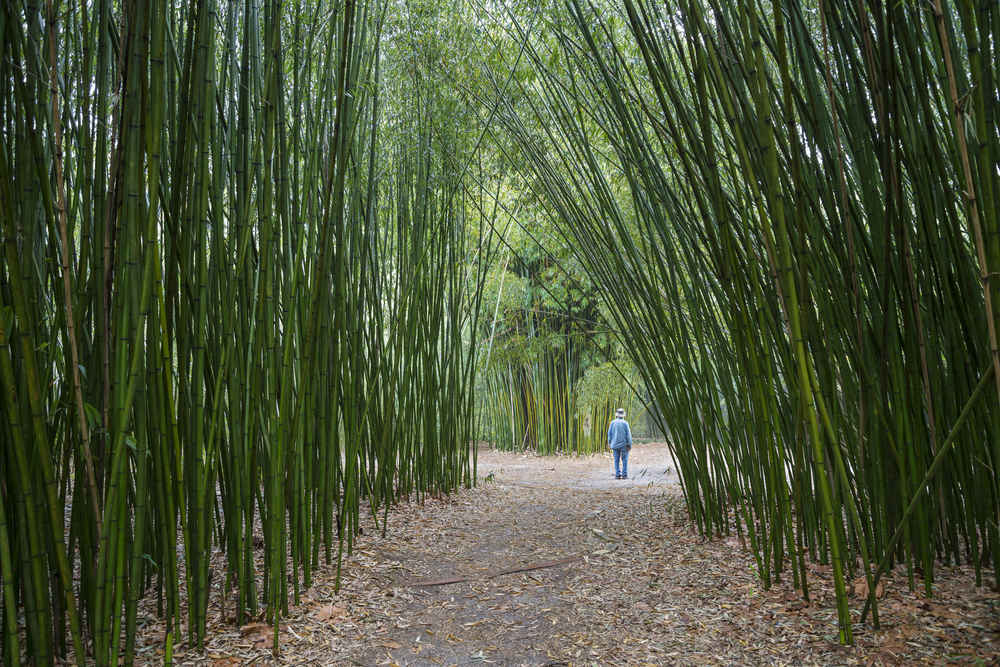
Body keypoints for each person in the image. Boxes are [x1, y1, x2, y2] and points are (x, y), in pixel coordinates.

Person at [608, 408, 633, 479]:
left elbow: (609, 434)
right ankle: (624, 475)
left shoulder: (612, 423)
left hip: (614, 444)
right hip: (624, 445)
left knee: (616, 460)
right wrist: (629, 444)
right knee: (624, 460)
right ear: (623, 415)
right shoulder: (625, 423)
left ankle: (617, 475)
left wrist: (609, 443)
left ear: (616, 415)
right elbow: (628, 435)